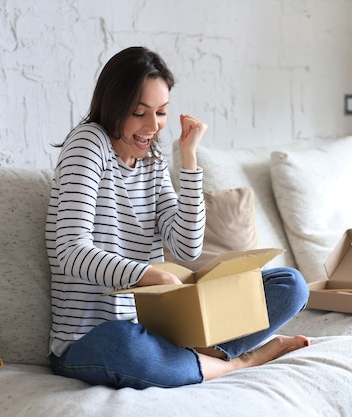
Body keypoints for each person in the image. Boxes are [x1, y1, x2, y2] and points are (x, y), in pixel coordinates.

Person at [46, 46, 310, 390]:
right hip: (89, 339)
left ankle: (201, 356)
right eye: (140, 112)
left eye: (161, 113)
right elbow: (69, 250)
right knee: (124, 344)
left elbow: (186, 248)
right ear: (114, 106)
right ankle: (241, 361)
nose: (152, 126)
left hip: (162, 331)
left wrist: (188, 160)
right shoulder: (88, 144)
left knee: (290, 285)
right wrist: (148, 275)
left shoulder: (151, 161)